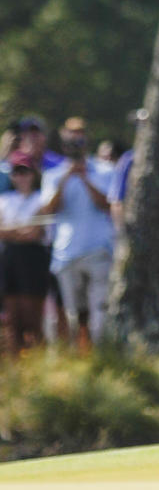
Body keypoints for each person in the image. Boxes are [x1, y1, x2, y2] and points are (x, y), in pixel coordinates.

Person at [36, 117, 114, 347]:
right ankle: (78, 360)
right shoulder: (54, 175)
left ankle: (102, 356)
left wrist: (85, 177)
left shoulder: (104, 170)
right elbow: (49, 210)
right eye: (71, 139)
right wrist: (66, 178)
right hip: (66, 253)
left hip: (99, 251)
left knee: (99, 315)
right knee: (75, 315)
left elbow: (107, 205)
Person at [0, 151, 50, 353]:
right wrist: (22, 230)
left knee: (31, 315)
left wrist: (11, 230)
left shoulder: (42, 198)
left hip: (33, 259)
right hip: (10, 258)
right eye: (16, 172)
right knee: (12, 317)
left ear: (33, 174)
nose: (21, 176)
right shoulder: (4, 200)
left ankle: (37, 360)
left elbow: (35, 233)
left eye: (25, 172)